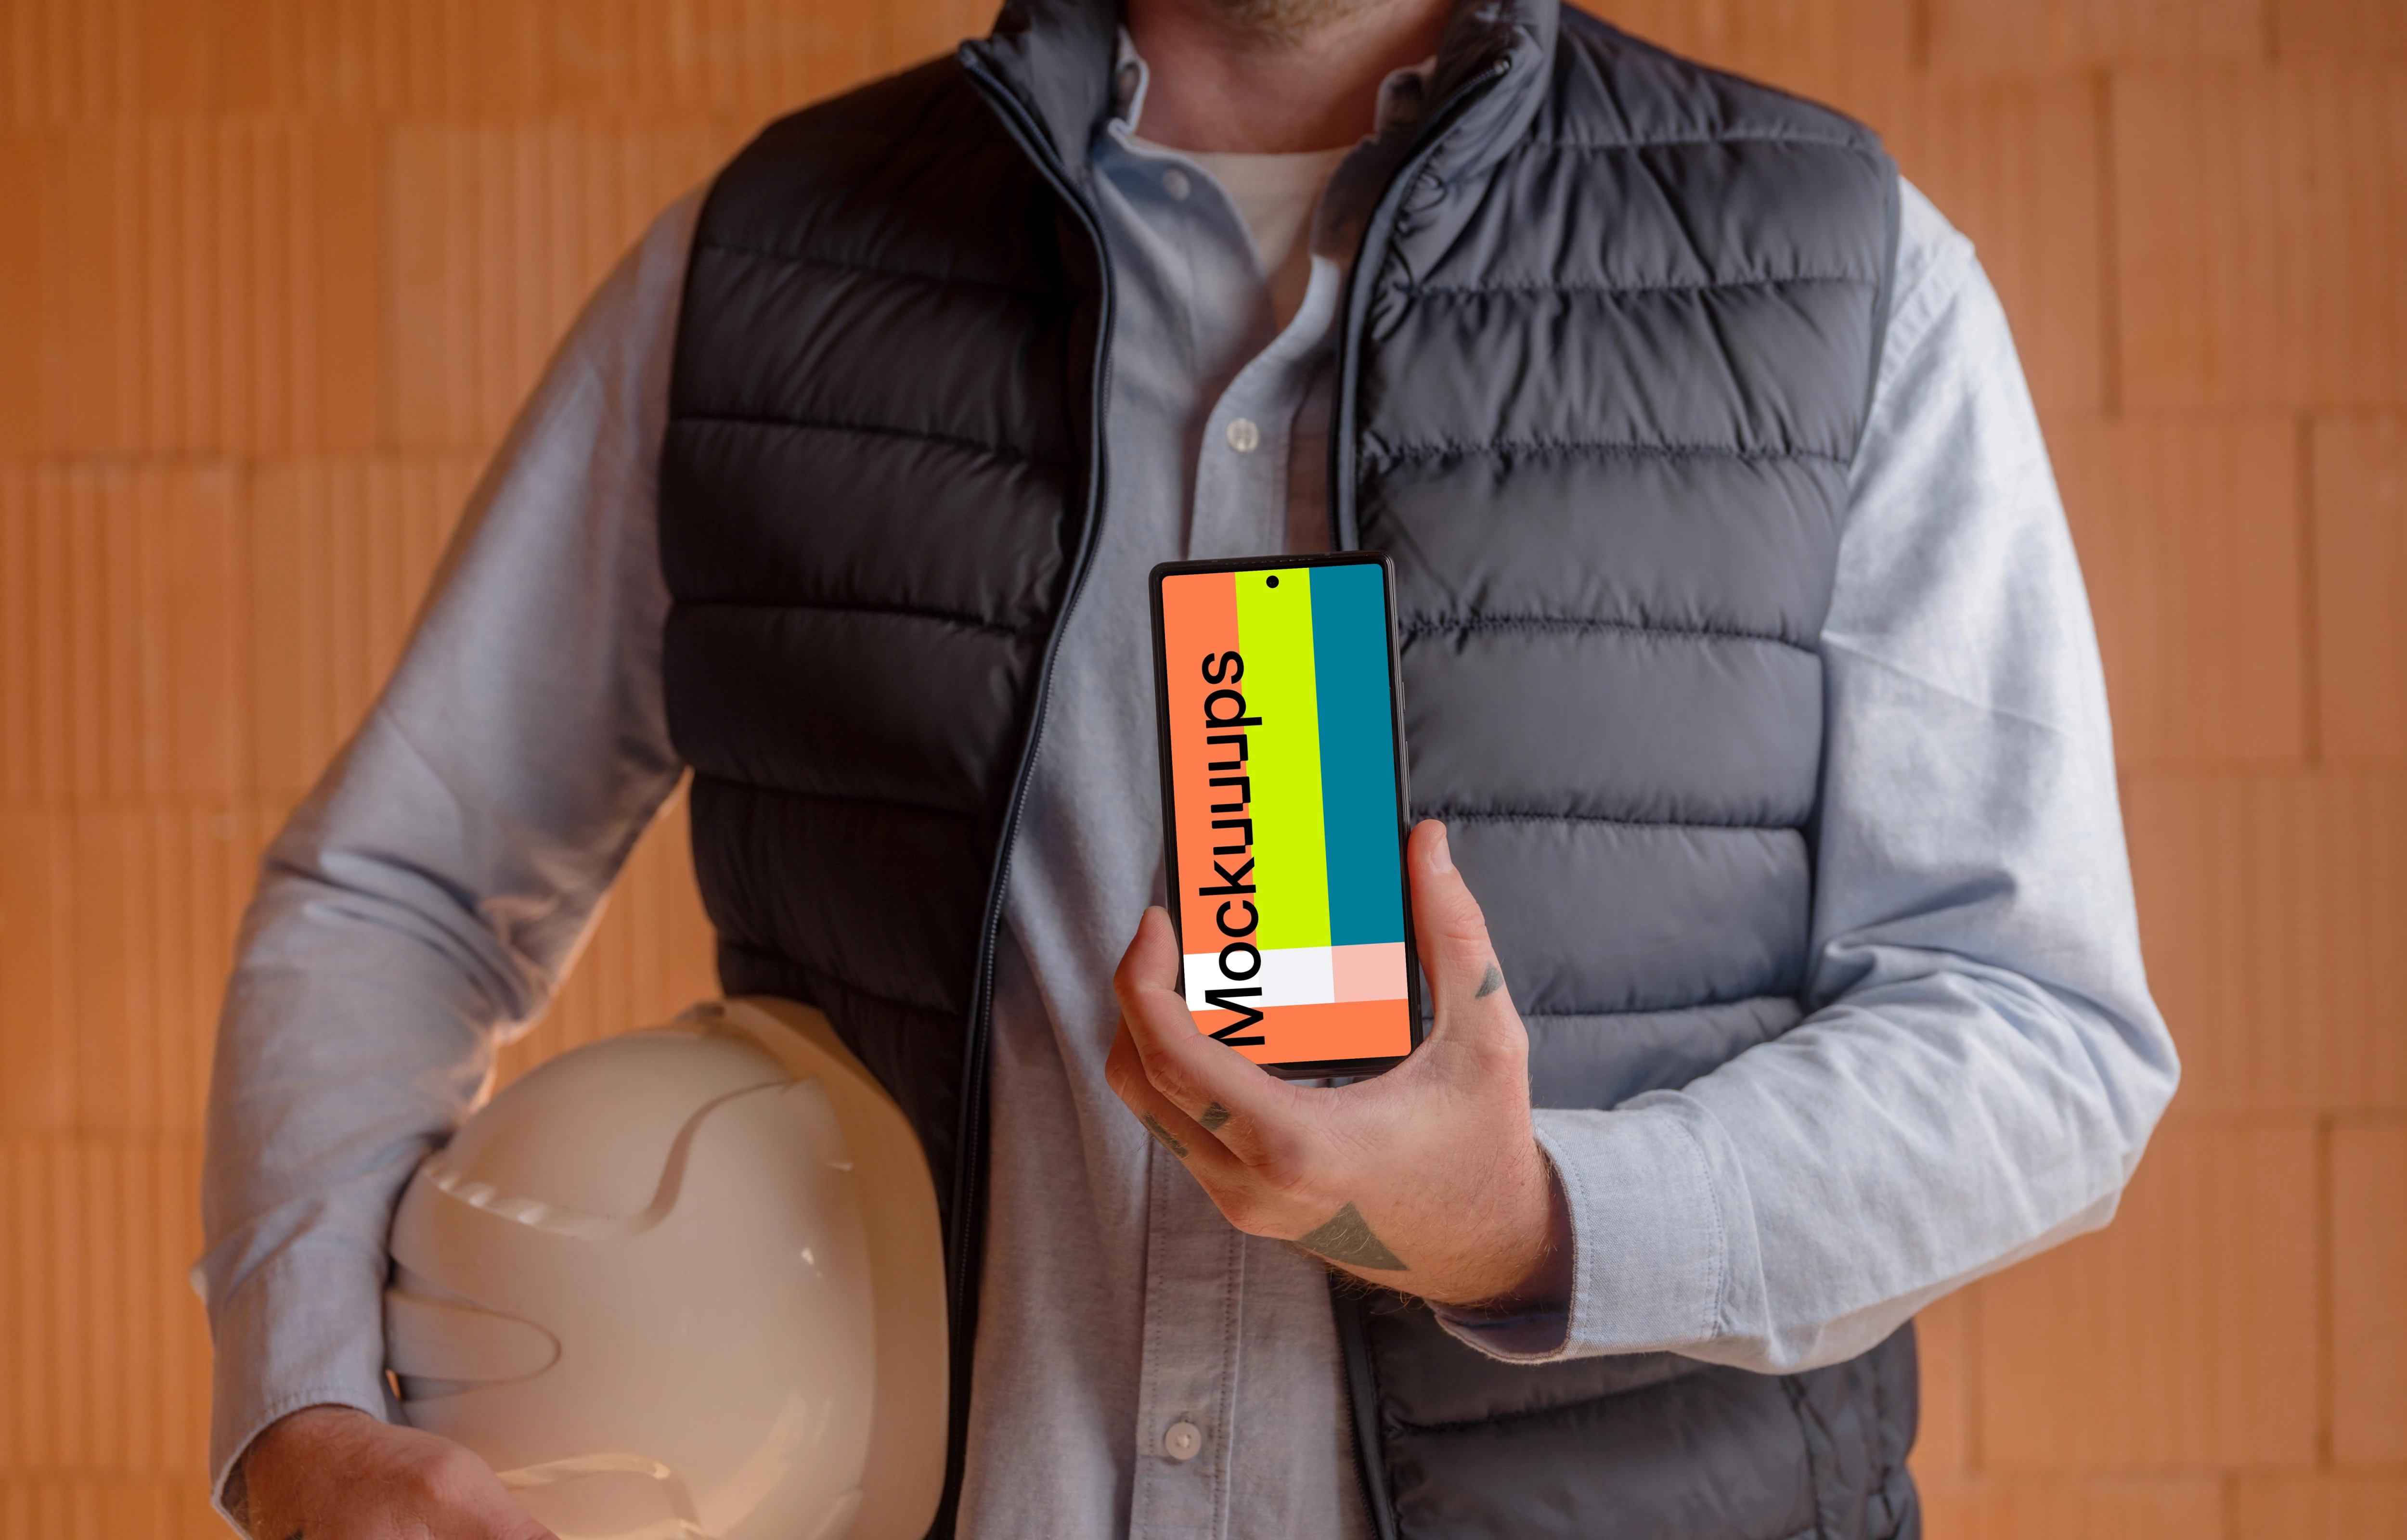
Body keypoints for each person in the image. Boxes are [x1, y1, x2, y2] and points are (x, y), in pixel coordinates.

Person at [198, 0, 2178, 1535]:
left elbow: (2036, 1032)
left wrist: (1540, 1216)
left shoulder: (1838, 271)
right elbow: (403, 882)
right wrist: (303, 1408)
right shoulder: (764, 263)